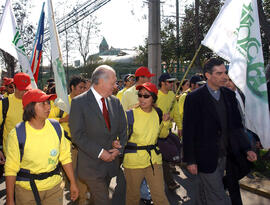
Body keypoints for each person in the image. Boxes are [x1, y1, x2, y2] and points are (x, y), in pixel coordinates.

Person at [182, 58, 257, 205]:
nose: (225, 76)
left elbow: (236, 126)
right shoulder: (194, 98)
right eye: (219, 73)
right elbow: (189, 131)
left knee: (205, 192)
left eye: (225, 72)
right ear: (208, 75)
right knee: (219, 197)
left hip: (227, 155)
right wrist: (190, 160)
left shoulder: (229, 95)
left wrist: (247, 149)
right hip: (204, 156)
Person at [5, 89, 79, 205]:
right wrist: (10, 199)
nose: (48, 107)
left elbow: (65, 157)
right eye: (42, 103)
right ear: (30, 108)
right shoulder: (17, 134)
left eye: (48, 103)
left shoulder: (56, 127)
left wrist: (73, 183)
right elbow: (11, 168)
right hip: (26, 190)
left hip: (54, 188)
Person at [69, 65, 127, 205]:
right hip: (91, 167)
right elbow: (77, 135)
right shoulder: (79, 103)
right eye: (113, 83)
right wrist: (101, 153)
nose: (115, 87)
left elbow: (123, 129)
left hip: (110, 165)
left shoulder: (115, 102)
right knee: (103, 201)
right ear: (100, 81)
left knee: (97, 199)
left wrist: (119, 147)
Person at [123, 82, 170, 205]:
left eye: (146, 96)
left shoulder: (158, 113)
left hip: (154, 160)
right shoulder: (129, 114)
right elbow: (120, 137)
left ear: (153, 98)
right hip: (133, 162)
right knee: (133, 197)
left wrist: (165, 123)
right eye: (140, 95)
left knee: (160, 197)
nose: (142, 98)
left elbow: (163, 135)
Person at [156, 73, 181, 190]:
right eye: (170, 82)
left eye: (173, 82)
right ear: (162, 83)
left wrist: (180, 126)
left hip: (167, 132)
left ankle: (169, 181)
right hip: (155, 135)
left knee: (165, 159)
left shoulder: (172, 95)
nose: (172, 84)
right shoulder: (155, 96)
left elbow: (176, 111)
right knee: (161, 160)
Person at [0, 73, 32, 154]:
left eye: (27, 89)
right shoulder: (4, 104)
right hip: (10, 153)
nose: (25, 92)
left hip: (30, 153)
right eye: (22, 89)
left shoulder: (33, 103)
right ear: (14, 86)